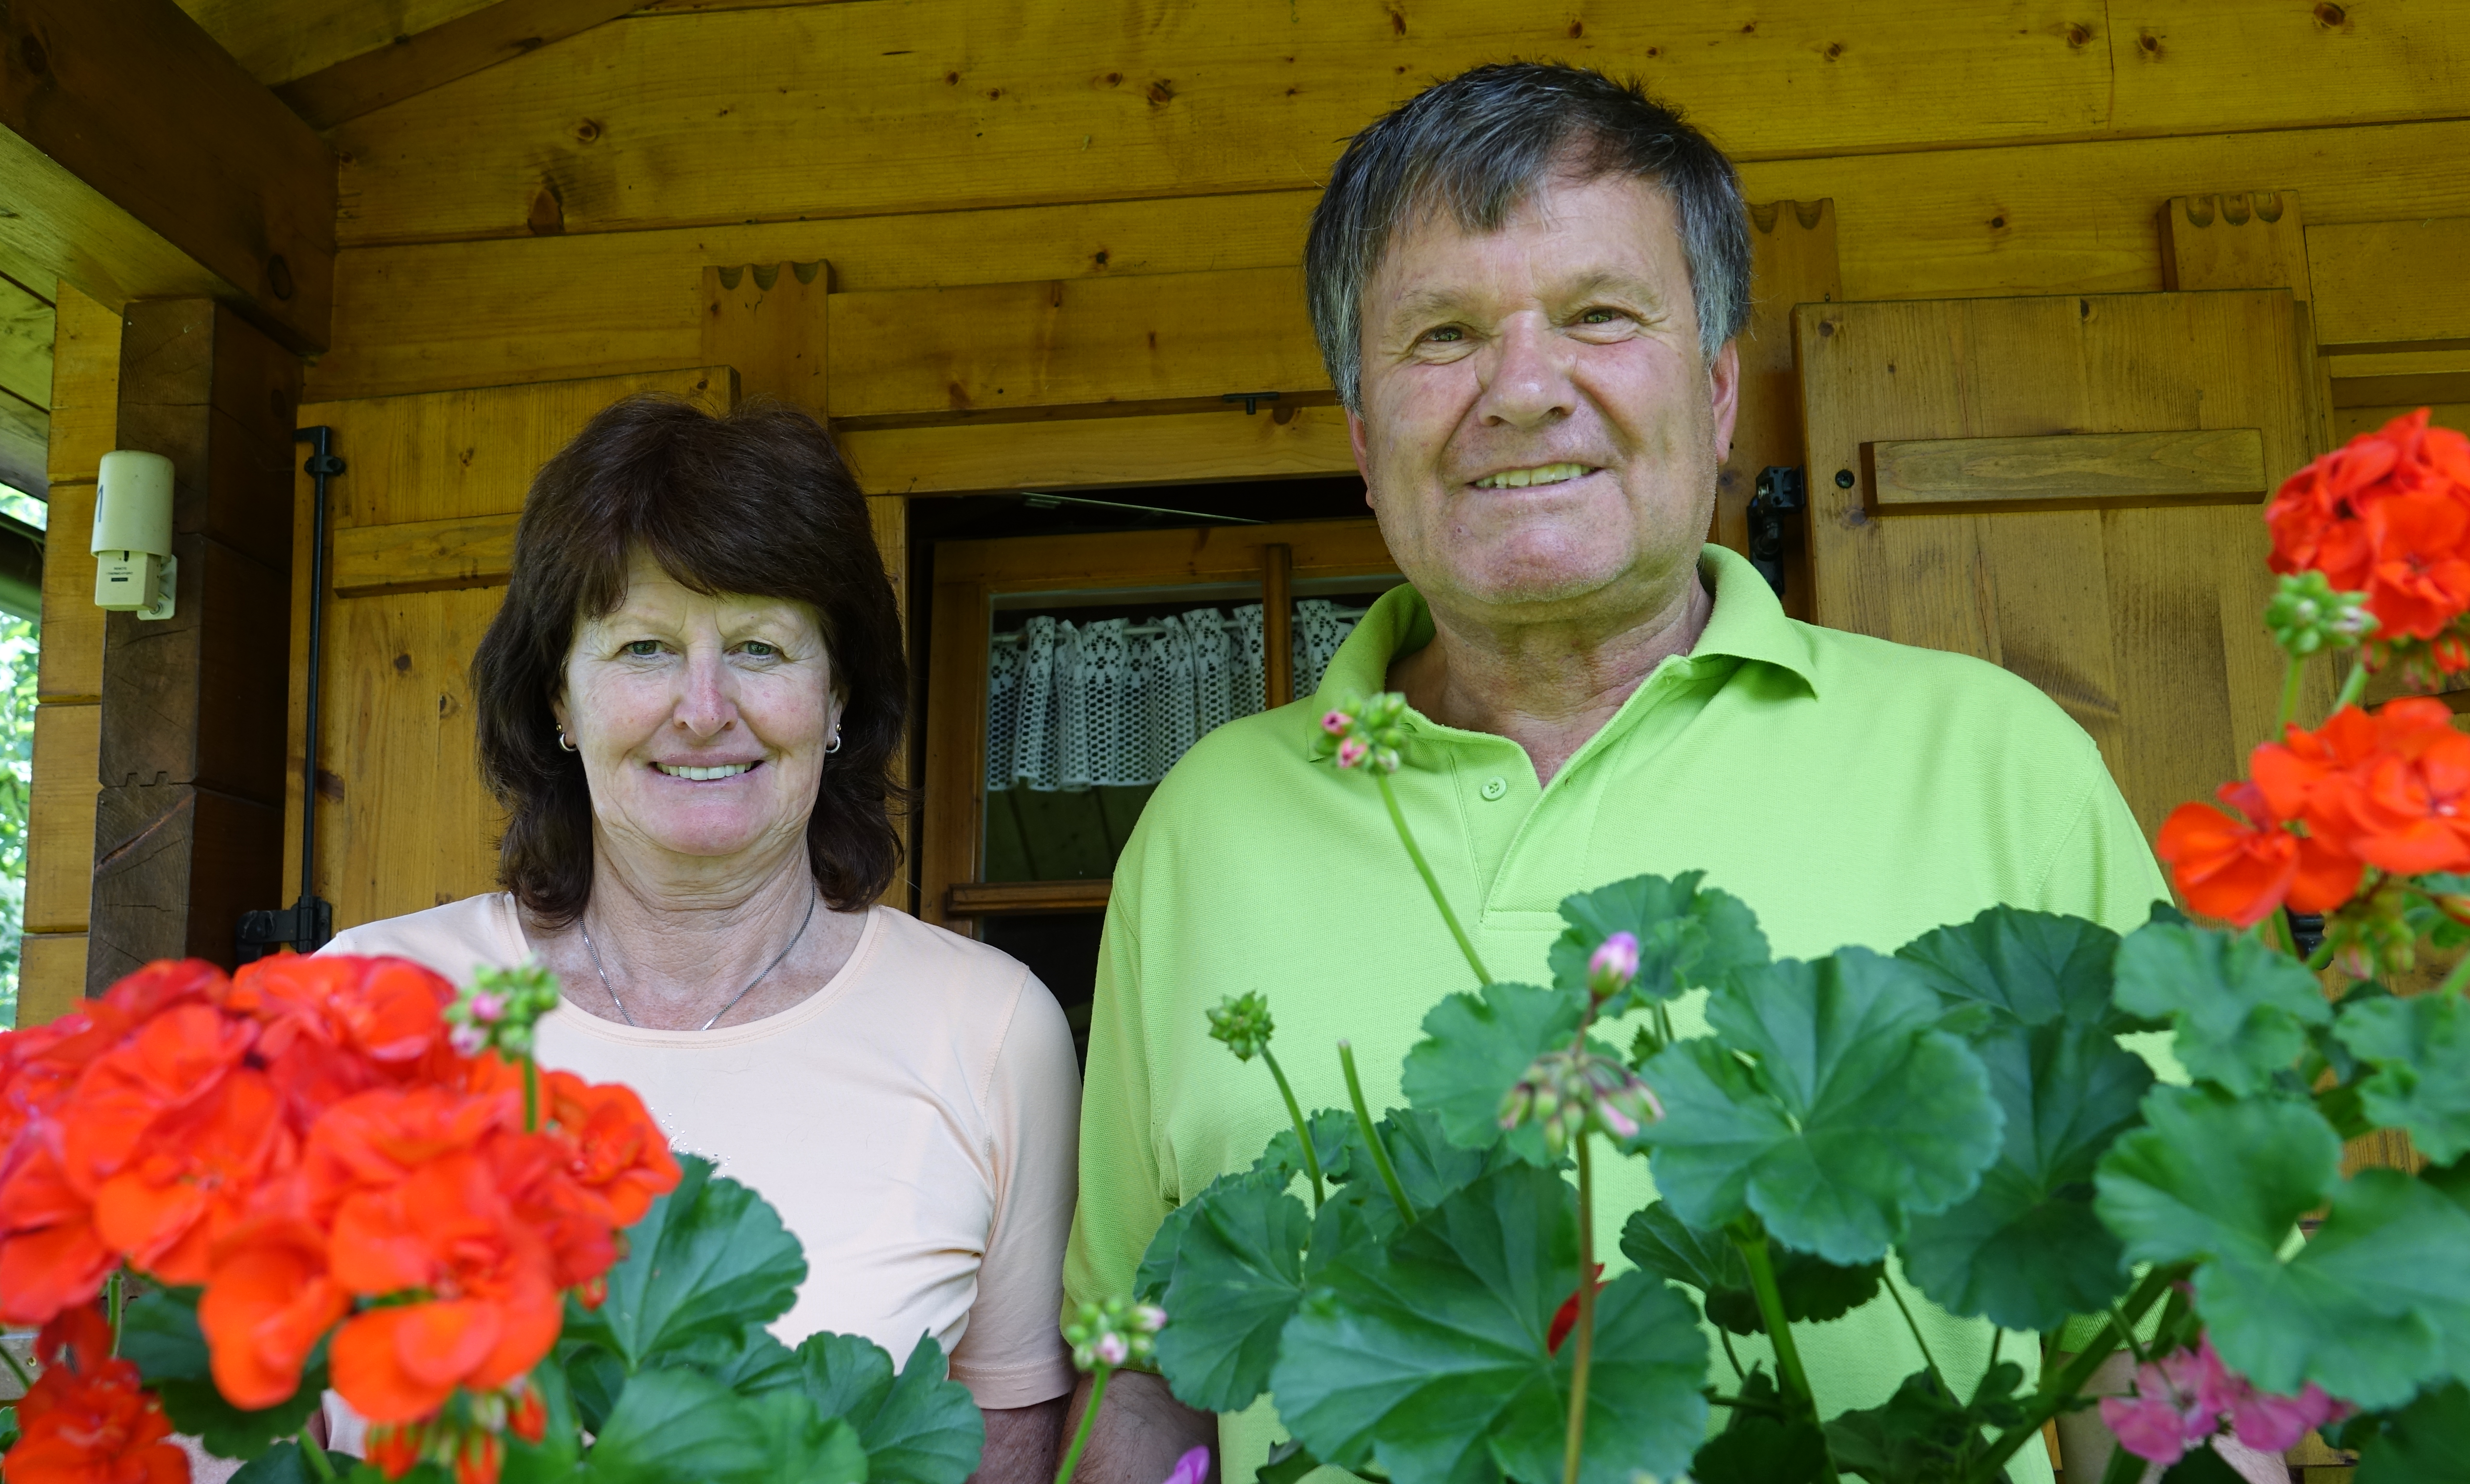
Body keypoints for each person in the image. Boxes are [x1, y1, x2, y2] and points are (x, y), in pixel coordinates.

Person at [1058, 64, 2188, 1484]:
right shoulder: (1202, 822)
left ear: (1717, 393)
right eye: (1443, 334)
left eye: (1598, 315)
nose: (1524, 391)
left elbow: (2161, 1336)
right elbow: (1152, 1369)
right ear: (1361, 439)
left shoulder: (1998, 761)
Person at [324, 396, 1078, 1482]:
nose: (704, 706)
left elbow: (1005, 1446)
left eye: (761, 647)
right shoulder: (368, 995)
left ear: (835, 699)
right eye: (644, 646)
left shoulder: (991, 1027)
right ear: (559, 702)